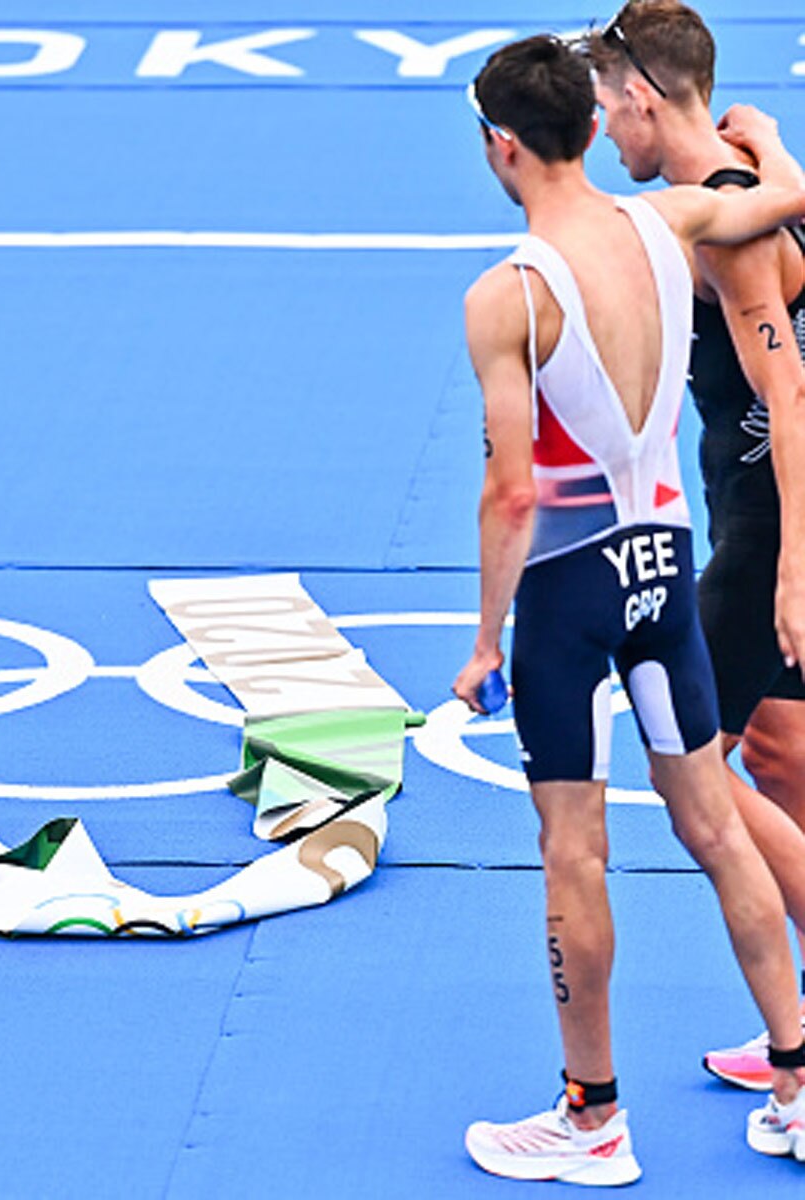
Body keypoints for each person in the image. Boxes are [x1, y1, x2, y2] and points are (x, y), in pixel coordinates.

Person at [452, 35, 805, 1183]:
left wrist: (486, 640)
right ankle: (799, 1080)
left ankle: (592, 1118)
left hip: (570, 587)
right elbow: (781, 199)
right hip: (666, 562)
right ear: (596, 127)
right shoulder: (674, 223)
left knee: (574, 852)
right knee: (715, 827)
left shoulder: (507, 296)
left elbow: (513, 494)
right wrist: (769, 146)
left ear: (502, 147)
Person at [585, 0, 805, 1095]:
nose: (601, 130)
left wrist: (793, 569)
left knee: (694, 775)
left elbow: (789, 391)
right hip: (757, 515)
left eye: (604, 105)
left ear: (641, 95)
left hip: (771, 532)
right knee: (783, 757)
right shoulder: (750, 172)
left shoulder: (733, 226)